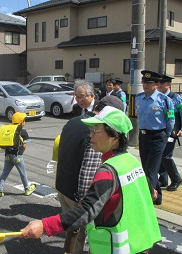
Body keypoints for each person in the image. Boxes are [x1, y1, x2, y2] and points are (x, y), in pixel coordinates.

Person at [21, 106, 161, 254]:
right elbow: (151, 192)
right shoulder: (131, 160)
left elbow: (85, 212)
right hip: (141, 243)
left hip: (117, 247)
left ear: (114, 136)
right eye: (91, 130)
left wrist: (44, 225)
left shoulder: (107, 171)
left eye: (96, 131)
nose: (90, 136)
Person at [55, 95, 124, 253]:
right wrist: (84, 199)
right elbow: (89, 169)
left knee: (71, 233)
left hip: (63, 187)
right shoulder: (97, 131)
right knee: (81, 237)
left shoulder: (73, 121)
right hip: (78, 195)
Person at [135, 70, 175, 205]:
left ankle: (147, 199)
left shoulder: (165, 100)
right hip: (143, 136)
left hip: (158, 136)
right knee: (146, 167)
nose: (145, 85)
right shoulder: (139, 97)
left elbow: (170, 120)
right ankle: (158, 197)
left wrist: (166, 135)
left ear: (157, 84)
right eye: (144, 82)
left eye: (149, 83)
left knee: (152, 170)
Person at [0, 112, 36, 197]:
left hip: (7, 155)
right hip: (17, 156)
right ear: (22, 122)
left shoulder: (9, 130)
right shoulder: (22, 131)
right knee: (22, 173)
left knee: (5, 173)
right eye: (24, 120)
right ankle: (27, 189)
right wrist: (20, 153)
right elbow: (24, 146)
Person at [157, 74, 182, 191]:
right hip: (160, 130)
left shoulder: (175, 98)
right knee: (160, 154)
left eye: (162, 83)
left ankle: (176, 179)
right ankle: (163, 179)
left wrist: (181, 129)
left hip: (172, 130)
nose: (160, 85)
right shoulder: (157, 97)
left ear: (168, 84)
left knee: (166, 156)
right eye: (159, 83)